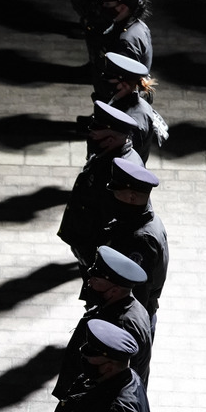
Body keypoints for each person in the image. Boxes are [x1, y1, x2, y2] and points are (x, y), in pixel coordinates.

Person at [58, 100, 143, 279]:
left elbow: (114, 219)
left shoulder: (120, 171)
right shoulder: (108, 153)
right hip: (87, 244)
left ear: (111, 139)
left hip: (97, 252)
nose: (91, 136)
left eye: (95, 133)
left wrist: (93, 254)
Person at [54, 245, 152, 395]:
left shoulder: (122, 325)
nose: (89, 282)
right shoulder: (116, 306)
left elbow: (118, 376)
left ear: (114, 290)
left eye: (96, 279)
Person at [99, 158, 168, 331]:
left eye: (116, 192)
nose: (112, 196)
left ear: (131, 196)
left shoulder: (140, 239)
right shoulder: (140, 219)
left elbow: (136, 290)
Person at [84, 0, 151, 99]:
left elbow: (125, 85)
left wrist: (108, 104)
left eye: (108, 4)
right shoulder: (135, 25)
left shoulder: (126, 41)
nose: (104, 8)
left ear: (123, 7)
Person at [98, 52, 166, 163]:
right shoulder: (122, 99)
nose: (106, 82)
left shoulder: (133, 120)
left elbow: (128, 159)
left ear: (124, 84)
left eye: (109, 79)